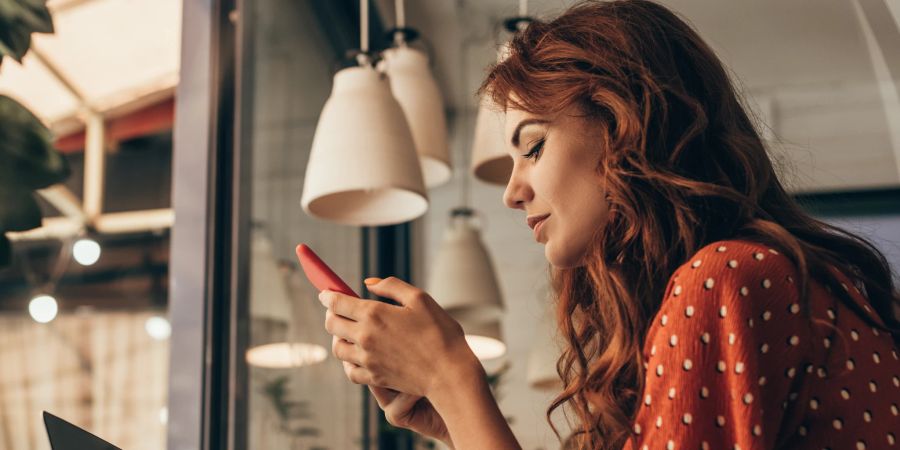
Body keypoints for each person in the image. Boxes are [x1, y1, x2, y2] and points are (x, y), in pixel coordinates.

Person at [315, 1, 900, 448]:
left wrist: (453, 379)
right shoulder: (774, 275)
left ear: (624, 121)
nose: (513, 194)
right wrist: (461, 422)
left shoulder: (725, 276)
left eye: (535, 147)